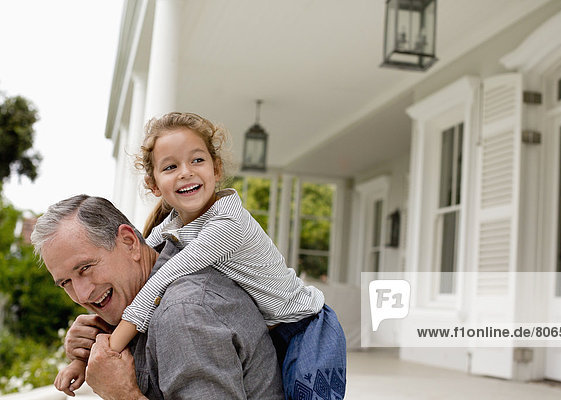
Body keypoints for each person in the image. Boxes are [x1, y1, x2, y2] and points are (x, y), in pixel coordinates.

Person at [57, 112, 347, 400]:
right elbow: (142, 253)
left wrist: (110, 350)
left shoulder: (226, 225)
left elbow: (160, 279)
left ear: (216, 169)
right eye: (170, 166)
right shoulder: (173, 226)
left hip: (306, 328)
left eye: (197, 160)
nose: (186, 172)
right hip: (274, 328)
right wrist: (87, 351)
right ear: (154, 184)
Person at [31, 195, 284, 399]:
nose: (82, 294)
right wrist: (86, 350)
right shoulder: (141, 296)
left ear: (129, 242)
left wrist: (123, 395)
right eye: (66, 282)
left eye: (85, 268)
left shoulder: (183, 313)